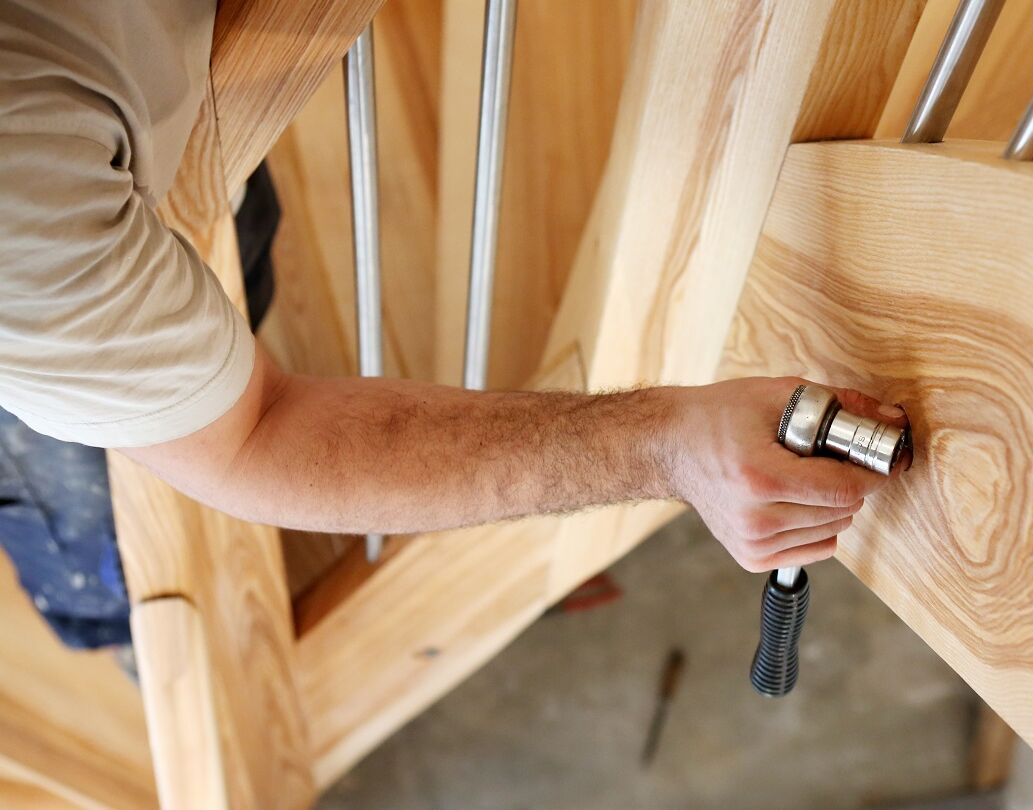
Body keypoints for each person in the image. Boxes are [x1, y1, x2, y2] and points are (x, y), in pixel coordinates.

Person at [0, 1, 908, 646]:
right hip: (54, 271)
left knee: (237, 228)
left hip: (113, 163)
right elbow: (258, 437)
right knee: (92, 529)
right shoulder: (26, 222)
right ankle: (119, 634)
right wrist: (664, 448)